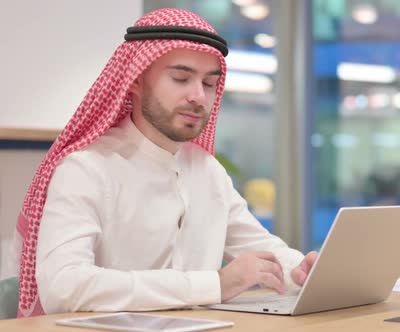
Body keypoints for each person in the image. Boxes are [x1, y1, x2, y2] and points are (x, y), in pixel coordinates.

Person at [7, 8, 318, 317]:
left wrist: (299, 270)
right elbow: (64, 286)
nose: (198, 96)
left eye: (209, 84)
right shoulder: (86, 168)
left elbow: (260, 248)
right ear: (136, 81)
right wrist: (215, 284)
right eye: (181, 78)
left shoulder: (207, 171)